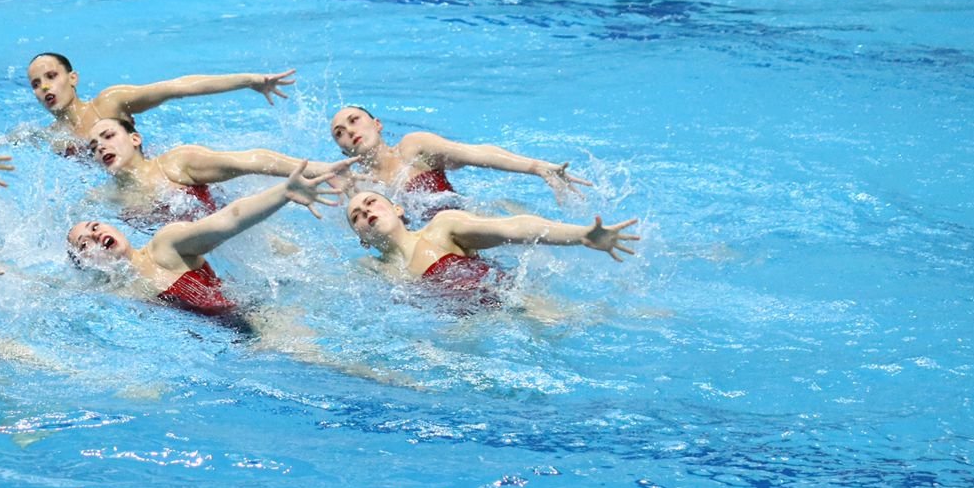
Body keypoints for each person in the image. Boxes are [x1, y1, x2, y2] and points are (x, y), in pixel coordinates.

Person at [65, 161, 351, 316]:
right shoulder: (113, 294)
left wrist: (283, 193)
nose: (94, 234)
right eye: (84, 244)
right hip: (225, 351)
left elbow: (228, 220)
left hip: (258, 323)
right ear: (86, 263)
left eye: (94, 226)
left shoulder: (165, 247)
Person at [343, 191, 638, 310]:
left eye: (371, 202)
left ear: (398, 208)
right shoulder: (374, 270)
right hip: (467, 334)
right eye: (355, 215)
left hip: (520, 307)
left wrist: (580, 235)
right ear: (361, 239)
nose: (366, 211)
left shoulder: (441, 227)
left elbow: (513, 228)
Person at [82, 116, 340, 226]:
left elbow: (249, 160)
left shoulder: (175, 163)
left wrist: (317, 168)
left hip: (238, 241)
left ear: (135, 139)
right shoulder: (106, 197)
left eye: (108, 136)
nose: (101, 147)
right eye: (94, 147)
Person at [26, 52, 296, 153]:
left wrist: (249, 80)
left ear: (72, 78)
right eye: (36, 84)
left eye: (51, 76)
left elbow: (176, 88)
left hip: (167, 183)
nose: (45, 87)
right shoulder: (50, 139)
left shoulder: (109, 103)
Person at [329, 105, 590, 203]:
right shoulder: (360, 187)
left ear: (377, 124)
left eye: (354, 120)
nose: (350, 131)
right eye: (340, 132)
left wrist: (535, 167)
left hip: (468, 229)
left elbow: (472, 153)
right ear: (342, 149)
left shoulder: (413, 147)